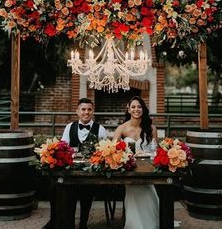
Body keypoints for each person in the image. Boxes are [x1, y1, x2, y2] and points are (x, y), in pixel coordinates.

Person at [43, 98, 107, 229]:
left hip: (90, 171)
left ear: (93, 112)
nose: (86, 112)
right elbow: (62, 147)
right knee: (56, 187)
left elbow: (104, 151)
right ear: (77, 111)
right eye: (83, 109)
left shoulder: (100, 129)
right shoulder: (69, 127)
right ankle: (60, 222)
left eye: (89, 109)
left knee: (87, 190)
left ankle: (83, 224)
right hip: (71, 170)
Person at [113, 96, 159, 229]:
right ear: (128, 109)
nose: (136, 109)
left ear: (143, 109)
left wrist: (148, 155)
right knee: (134, 190)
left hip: (148, 170)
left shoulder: (151, 128)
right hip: (130, 171)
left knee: (148, 191)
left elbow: (157, 151)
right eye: (133, 107)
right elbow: (112, 151)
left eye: (139, 107)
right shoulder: (121, 129)